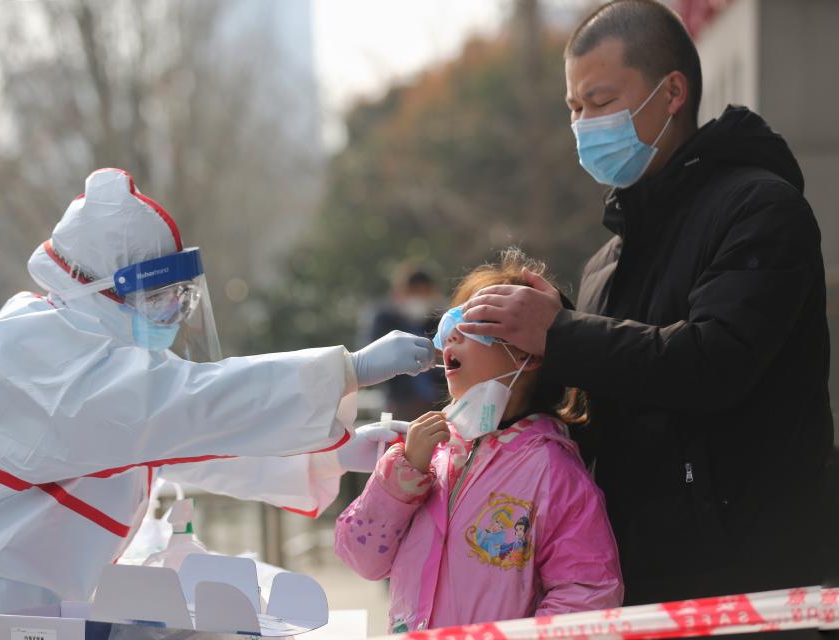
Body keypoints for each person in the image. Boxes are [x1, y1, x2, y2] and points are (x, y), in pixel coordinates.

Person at [0, 168, 435, 640]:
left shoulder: (78, 347)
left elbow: (182, 444)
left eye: (179, 296)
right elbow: (190, 408)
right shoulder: (39, 360)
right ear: (96, 289)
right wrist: (349, 370)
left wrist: (333, 452)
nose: (171, 313)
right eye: (156, 296)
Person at [458, 0, 834, 604]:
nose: (584, 125)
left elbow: (714, 362)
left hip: (752, 581)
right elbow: (609, 403)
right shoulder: (608, 258)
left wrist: (561, 333)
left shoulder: (760, 208)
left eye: (600, 103)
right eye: (574, 109)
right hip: (638, 580)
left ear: (673, 92)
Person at [335, 249, 622, 633]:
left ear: (529, 353)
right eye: (451, 320)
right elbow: (361, 557)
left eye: (476, 323)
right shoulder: (427, 453)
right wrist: (400, 476)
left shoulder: (552, 470)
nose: (452, 333)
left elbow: (587, 591)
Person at [361, 260, 446, 420]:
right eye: (414, 293)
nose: (419, 299)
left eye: (424, 293)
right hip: (399, 402)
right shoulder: (384, 319)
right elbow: (372, 357)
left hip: (438, 402)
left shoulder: (439, 319)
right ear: (401, 292)